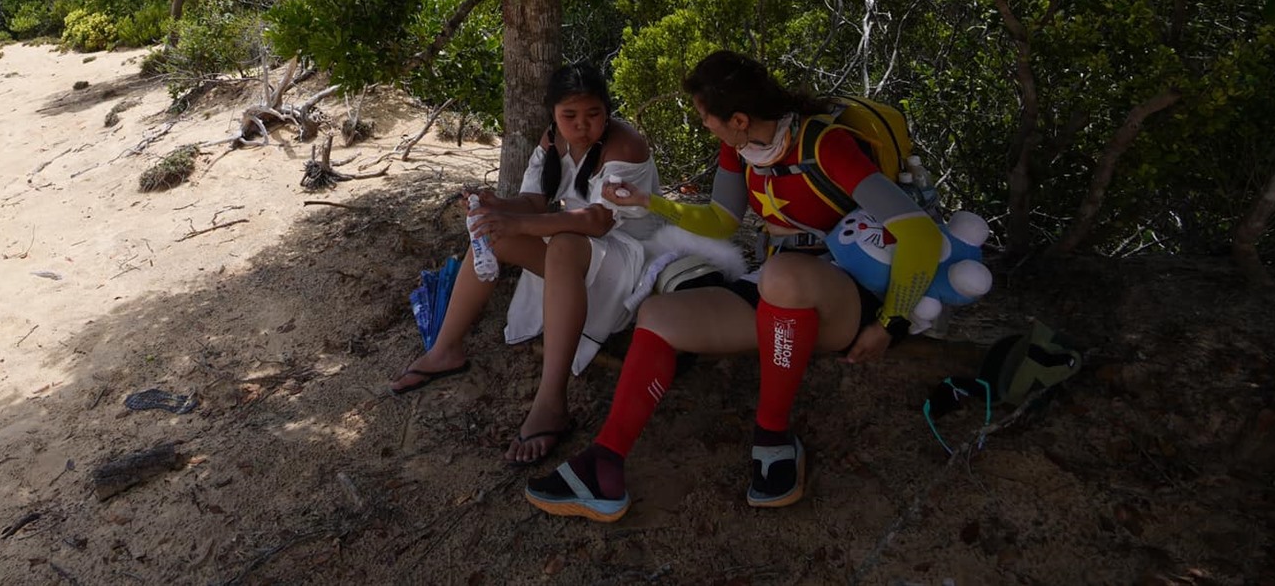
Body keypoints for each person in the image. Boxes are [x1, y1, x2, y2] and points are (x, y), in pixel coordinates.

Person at [524, 50, 943, 520]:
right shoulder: (740, 146)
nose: (708, 128)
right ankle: (604, 464)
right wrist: (651, 203)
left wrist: (893, 323)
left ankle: (773, 437)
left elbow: (919, 233)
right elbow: (723, 220)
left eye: (709, 119)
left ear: (739, 118)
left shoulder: (824, 146)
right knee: (659, 315)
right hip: (778, 290)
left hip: (850, 294)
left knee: (783, 277)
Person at [388, 61, 662, 465]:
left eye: (593, 115)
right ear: (553, 114)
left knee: (564, 242)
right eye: (569, 116)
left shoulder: (625, 145)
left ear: (608, 110)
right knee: (495, 235)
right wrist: (496, 206)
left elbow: (599, 221)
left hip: (628, 255)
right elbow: (533, 201)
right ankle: (446, 349)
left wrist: (522, 221)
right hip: (576, 244)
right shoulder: (552, 140)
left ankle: (551, 400)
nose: (582, 125)